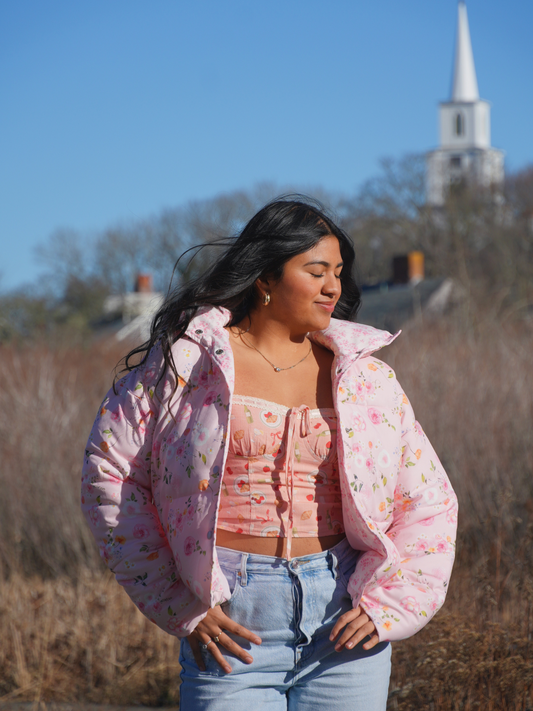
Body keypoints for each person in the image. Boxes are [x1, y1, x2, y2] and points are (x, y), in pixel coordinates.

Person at [81, 197, 457, 710]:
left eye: (339, 273)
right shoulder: (186, 365)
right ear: (265, 278)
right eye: (316, 270)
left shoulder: (366, 379)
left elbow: (428, 502)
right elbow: (110, 473)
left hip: (343, 621)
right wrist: (177, 602)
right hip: (233, 624)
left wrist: (389, 604)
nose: (334, 287)